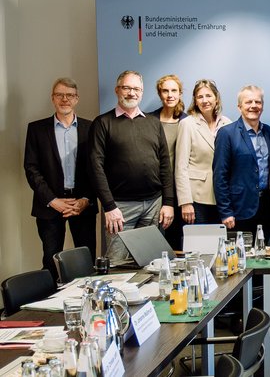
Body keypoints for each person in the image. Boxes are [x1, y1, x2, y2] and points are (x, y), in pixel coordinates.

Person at [89, 70, 175, 266]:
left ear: (142, 92)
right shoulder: (103, 123)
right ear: (117, 90)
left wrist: (168, 202)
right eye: (127, 88)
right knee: (118, 264)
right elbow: (96, 168)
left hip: (154, 204)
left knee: (152, 264)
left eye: (136, 89)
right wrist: (109, 206)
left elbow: (164, 164)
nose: (131, 93)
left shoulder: (153, 123)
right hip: (120, 208)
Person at [24, 78, 98, 282]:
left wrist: (86, 199)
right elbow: (31, 169)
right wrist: (53, 201)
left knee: (86, 259)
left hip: (82, 205)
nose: (64, 99)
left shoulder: (91, 128)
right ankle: (50, 310)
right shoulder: (37, 129)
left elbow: (96, 169)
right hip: (49, 206)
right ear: (53, 98)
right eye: (60, 95)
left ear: (77, 99)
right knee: (50, 261)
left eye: (70, 95)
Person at [213, 85, 270, 235]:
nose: (253, 106)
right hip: (238, 209)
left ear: (262, 106)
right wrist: (225, 211)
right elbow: (220, 176)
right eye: (248, 102)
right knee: (241, 256)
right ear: (239, 106)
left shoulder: (269, 132)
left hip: (266, 208)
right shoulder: (226, 134)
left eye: (258, 102)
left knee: (262, 255)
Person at [175, 80, 231, 225]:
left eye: (208, 96)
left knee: (222, 245)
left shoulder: (228, 123)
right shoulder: (187, 124)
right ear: (195, 100)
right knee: (198, 246)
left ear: (216, 98)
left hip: (224, 198)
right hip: (197, 199)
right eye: (200, 97)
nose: (205, 100)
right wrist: (185, 202)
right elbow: (181, 167)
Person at [149, 74, 188, 249]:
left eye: (174, 91)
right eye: (165, 91)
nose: (170, 95)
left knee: (177, 240)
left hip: (180, 189)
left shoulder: (188, 122)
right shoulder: (148, 120)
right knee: (154, 241)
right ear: (159, 94)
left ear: (180, 93)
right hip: (155, 188)